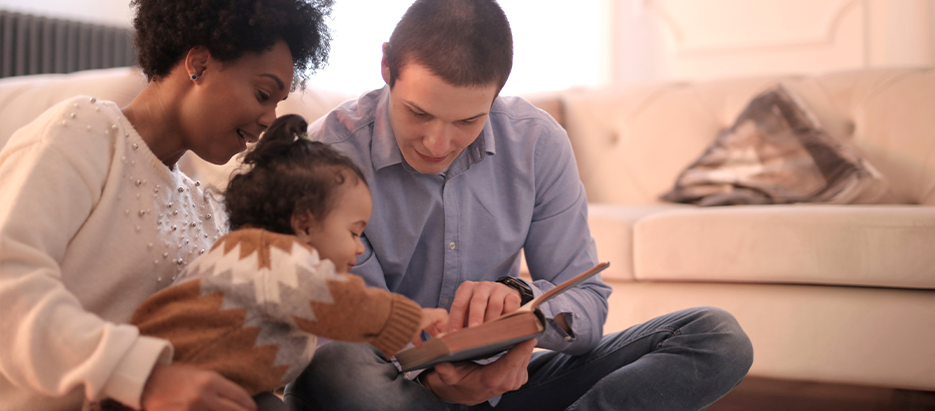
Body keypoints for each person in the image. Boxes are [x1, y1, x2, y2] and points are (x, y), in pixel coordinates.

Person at [284, 0, 754, 410]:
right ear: (387, 65)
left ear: (498, 91)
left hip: (504, 391)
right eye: (419, 113)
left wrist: (526, 307)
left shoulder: (537, 142)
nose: (437, 143)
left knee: (716, 337)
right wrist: (434, 380)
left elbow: (588, 306)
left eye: (467, 121)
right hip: (392, 391)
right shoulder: (327, 153)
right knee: (335, 369)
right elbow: (339, 329)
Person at [0, 1, 333, 410]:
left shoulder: (207, 211)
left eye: (278, 103)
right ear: (199, 64)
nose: (270, 120)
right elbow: (8, 286)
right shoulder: (86, 131)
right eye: (263, 94)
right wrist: (146, 377)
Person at [90, 114, 448, 411]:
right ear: (304, 223)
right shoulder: (274, 258)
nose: (358, 248)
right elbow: (334, 299)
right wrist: (403, 318)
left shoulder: (248, 255)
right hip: (158, 392)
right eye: (354, 232)